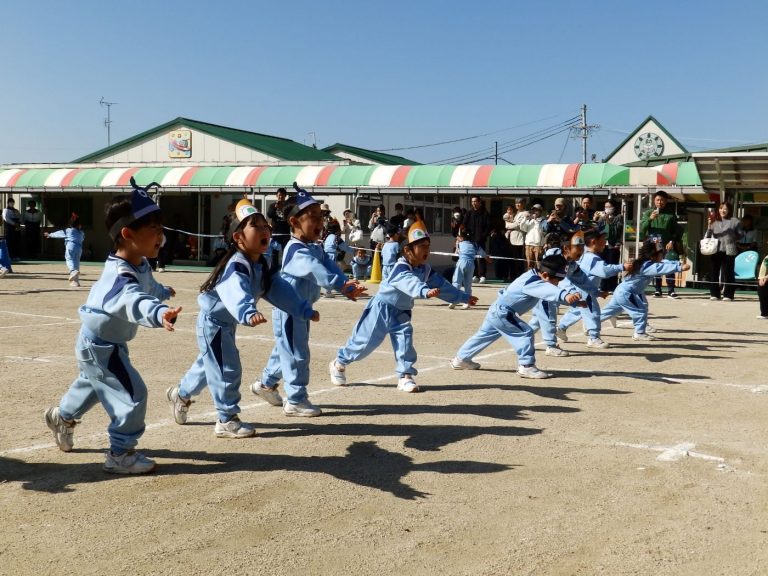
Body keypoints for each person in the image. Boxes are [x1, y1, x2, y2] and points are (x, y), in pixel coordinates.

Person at [44, 180, 182, 474]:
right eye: (153, 230)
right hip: (101, 345)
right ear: (127, 234)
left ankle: (62, 416)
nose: (161, 236)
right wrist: (158, 313)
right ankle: (120, 453)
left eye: (161, 229)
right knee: (132, 394)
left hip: (103, 343)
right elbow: (133, 299)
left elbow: (146, 286)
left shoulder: (140, 262)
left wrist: (161, 292)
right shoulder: (119, 275)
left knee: (94, 385)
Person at [167, 201, 317, 438]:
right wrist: (247, 311)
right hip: (214, 324)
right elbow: (235, 290)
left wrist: (302, 308)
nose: (265, 230)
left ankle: (182, 394)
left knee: (209, 367)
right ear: (238, 237)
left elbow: (277, 289)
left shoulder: (262, 262)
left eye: (265, 225)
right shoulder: (237, 264)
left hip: (225, 324)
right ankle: (226, 419)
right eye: (256, 227)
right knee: (227, 368)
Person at [253, 184, 366, 417]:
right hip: (289, 309)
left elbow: (329, 265)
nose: (319, 222)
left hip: (300, 308)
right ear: (294, 222)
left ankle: (265, 384)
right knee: (296, 353)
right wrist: (339, 284)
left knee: (285, 349)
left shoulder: (314, 246)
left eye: (320, 217)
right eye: (312, 217)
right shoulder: (296, 250)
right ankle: (296, 399)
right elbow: (317, 270)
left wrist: (345, 283)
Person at [329, 217, 476, 393]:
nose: (426, 251)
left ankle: (405, 376)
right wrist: (424, 291)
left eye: (428, 247)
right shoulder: (400, 268)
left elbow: (443, 286)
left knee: (405, 341)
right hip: (381, 308)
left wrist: (462, 297)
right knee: (364, 344)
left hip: (402, 311)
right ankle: (339, 363)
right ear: (407, 250)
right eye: (422, 247)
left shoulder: (425, 270)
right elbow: (409, 282)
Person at [450, 254, 584, 379]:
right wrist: (565, 295)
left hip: (497, 310)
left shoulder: (533, 276)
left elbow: (548, 292)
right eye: (557, 280)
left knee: (484, 335)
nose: (558, 283)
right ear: (544, 274)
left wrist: (574, 301)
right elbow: (549, 290)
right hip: (503, 313)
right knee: (525, 332)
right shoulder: (533, 281)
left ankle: (461, 359)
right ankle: (526, 366)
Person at [601, 240, 690, 340]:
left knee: (611, 310)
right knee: (640, 310)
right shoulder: (648, 266)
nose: (662, 256)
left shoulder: (645, 262)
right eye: (661, 254)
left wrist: (677, 263)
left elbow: (664, 263)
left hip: (626, 291)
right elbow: (661, 268)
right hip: (628, 293)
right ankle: (639, 333)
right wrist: (679, 268)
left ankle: (589, 325)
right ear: (653, 256)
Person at [556, 228, 630, 349]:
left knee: (578, 310)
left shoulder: (583, 254)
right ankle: (594, 338)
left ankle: (561, 328)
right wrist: (622, 266)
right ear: (593, 241)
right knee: (592, 312)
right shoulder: (591, 257)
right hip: (585, 290)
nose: (605, 243)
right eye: (603, 240)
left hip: (580, 288)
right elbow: (604, 271)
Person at [639, 190, 681, 298]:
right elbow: (642, 229)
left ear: (666, 201)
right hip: (655, 242)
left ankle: (671, 290)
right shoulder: (648, 213)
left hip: (667, 243)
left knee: (669, 264)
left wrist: (672, 241)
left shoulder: (671, 214)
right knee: (656, 265)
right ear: (654, 200)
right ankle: (657, 289)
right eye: (658, 199)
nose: (660, 202)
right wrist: (650, 219)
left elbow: (676, 230)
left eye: (662, 200)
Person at [706, 202, 741, 301]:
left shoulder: (735, 221)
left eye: (725, 208)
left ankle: (728, 295)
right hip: (715, 249)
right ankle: (714, 294)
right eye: (721, 208)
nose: (723, 210)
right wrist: (709, 225)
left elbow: (741, 235)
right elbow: (708, 236)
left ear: (729, 210)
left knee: (728, 272)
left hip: (729, 248)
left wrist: (731, 237)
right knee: (714, 272)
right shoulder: (714, 222)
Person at [449, 226, 490, 310]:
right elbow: (483, 253)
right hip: (471, 264)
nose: (457, 237)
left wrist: (456, 243)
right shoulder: (475, 244)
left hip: (462, 263)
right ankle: (467, 302)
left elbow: (455, 254)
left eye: (459, 235)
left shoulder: (459, 243)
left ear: (462, 237)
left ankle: (454, 300)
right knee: (468, 284)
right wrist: (487, 258)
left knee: (457, 281)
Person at [45, 213, 85, 287]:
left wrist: (50, 235)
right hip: (79, 248)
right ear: (79, 225)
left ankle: (73, 271)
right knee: (76, 263)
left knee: (69, 259)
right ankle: (75, 282)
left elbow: (59, 233)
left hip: (70, 246)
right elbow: (82, 238)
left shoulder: (68, 230)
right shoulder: (81, 232)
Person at [595, 198, 624, 292]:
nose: (607, 209)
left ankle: (612, 286)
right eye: (605, 207)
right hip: (603, 245)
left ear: (614, 207)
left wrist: (609, 222)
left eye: (609, 207)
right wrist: (596, 220)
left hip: (613, 244)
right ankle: (603, 286)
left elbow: (616, 232)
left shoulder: (618, 217)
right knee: (603, 265)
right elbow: (598, 231)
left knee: (613, 265)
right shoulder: (602, 217)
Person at [322, 218, 355, 297]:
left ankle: (329, 290)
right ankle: (328, 291)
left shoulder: (326, 236)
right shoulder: (336, 238)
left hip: (325, 255)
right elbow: (345, 247)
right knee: (333, 273)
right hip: (331, 256)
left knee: (329, 273)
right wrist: (354, 251)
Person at [464, 196, 490, 282]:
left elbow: (488, 227)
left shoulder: (485, 213)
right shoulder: (469, 213)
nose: (473, 203)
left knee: (482, 257)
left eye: (475, 201)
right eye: (472, 201)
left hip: (481, 240)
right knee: (472, 258)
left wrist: (483, 236)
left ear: (479, 202)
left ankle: (482, 275)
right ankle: (475, 275)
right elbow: (464, 224)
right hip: (470, 240)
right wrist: (465, 234)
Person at [267, 187, 291, 267]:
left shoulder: (288, 205)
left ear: (285, 196)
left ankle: (285, 268)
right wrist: (275, 207)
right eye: (279, 195)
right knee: (274, 254)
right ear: (277, 196)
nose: (281, 197)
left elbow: (291, 216)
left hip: (285, 233)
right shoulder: (273, 205)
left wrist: (283, 208)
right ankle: (274, 270)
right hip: (275, 233)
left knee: (286, 252)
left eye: (283, 195)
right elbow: (269, 215)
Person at [505, 198, 528, 281]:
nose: (517, 205)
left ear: (524, 203)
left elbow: (518, 225)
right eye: (516, 203)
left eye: (519, 203)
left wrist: (508, 225)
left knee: (519, 260)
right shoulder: (515, 213)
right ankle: (512, 276)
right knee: (511, 259)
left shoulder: (525, 213)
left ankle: (519, 278)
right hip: (512, 238)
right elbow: (506, 219)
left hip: (520, 239)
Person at [521, 203, 546, 269]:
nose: (535, 212)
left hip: (538, 246)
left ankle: (539, 278)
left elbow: (541, 231)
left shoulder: (544, 220)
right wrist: (525, 219)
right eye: (533, 210)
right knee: (529, 265)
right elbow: (523, 228)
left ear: (540, 211)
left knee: (539, 265)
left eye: (536, 210)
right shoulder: (530, 220)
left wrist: (535, 220)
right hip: (528, 245)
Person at [757, 244, 768, 319]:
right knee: (762, 293)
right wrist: (761, 277)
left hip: (766, 278)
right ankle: (765, 313)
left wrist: (766, 277)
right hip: (763, 278)